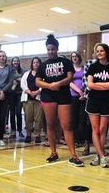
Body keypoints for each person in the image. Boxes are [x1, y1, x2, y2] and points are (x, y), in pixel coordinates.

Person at [35, 34, 84, 166]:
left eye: (53, 49)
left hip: (63, 96)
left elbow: (69, 78)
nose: (51, 51)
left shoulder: (66, 62)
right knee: (50, 125)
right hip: (48, 96)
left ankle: (73, 154)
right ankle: (53, 152)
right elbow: (38, 81)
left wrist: (58, 84)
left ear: (57, 49)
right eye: (48, 49)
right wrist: (50, 86)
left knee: (67, 125)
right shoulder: (43, 65)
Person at [86, 43, 109, 168]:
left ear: (106, 52)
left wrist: (98, 84)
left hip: (107, 101)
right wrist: (106, 85)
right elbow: (90, 85)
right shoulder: (93, 67)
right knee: (95, 129)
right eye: (97, 51)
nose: (99, 53)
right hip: (93, 100)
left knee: (102, 129)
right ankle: (101, 156)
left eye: (102, 51)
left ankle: (98, 155)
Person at [21, 57, 43, 143]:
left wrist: (37, 91)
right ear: (32, 64)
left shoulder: (42, 74)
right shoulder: (26, 74)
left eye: (37, 62)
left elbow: (44, 84)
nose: (36, 64)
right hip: (28, 99)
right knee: (28, 118)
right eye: (34, 62)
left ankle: (38, 135)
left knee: (39, 118)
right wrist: (29, 92)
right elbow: (23, 84)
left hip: (39, 99)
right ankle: (28, 135)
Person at [69, 51, 86, 147]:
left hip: (83, 96)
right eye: (73, 56)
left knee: (82, 118)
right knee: (74, 118)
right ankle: (75, 139)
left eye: (76, 56)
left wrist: (83, 93)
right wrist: (79, 91)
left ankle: (81, 139)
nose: (74, 58)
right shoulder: (70, 69)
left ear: (79, 57)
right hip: (73, 95)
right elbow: (69, 82)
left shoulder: (84, 68)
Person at [8, 56, 25, 139]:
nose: (15, 62)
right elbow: (8, 79)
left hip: (19, 93)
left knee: (18, 112)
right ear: (12, 62)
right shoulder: (9, 70)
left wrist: (18, 79)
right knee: (12, 113)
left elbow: (24, 79)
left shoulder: (22, 71)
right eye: (14, 61)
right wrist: (16, 79)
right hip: (11, 93)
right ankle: (13, 131)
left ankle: (20, 130)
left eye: (17, 61)